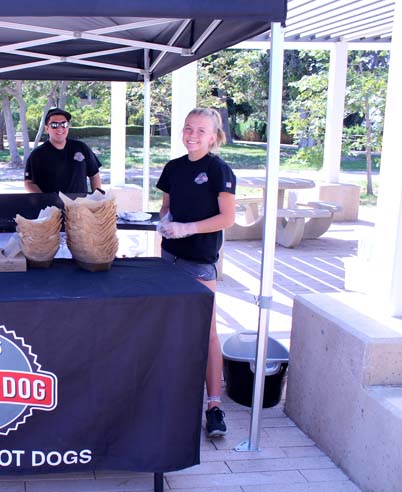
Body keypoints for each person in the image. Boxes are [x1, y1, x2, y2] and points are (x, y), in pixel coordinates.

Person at [156, 108, 236, 438]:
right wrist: (166, 221)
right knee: (169, 327)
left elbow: (227, 217)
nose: (192, 135)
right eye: (188, 128)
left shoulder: (219, 169)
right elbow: (165, 206)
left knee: (207, 332)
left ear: (214, 136)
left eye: (201, 130)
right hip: (168, 257)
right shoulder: (173, 167)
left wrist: (189, 228)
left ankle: (214, 406)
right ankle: (168, 395)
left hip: (200, 261)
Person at [24, 108, 102, 194]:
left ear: (68, 126)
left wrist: (97, 198)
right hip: (53, 206)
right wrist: (44, 199)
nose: (60, 128)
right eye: (54, 125)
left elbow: (94, 175)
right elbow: (29, 183)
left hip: (80, 205)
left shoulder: (81, 147)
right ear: (46, 129)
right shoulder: (37, 155)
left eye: (64, 124)